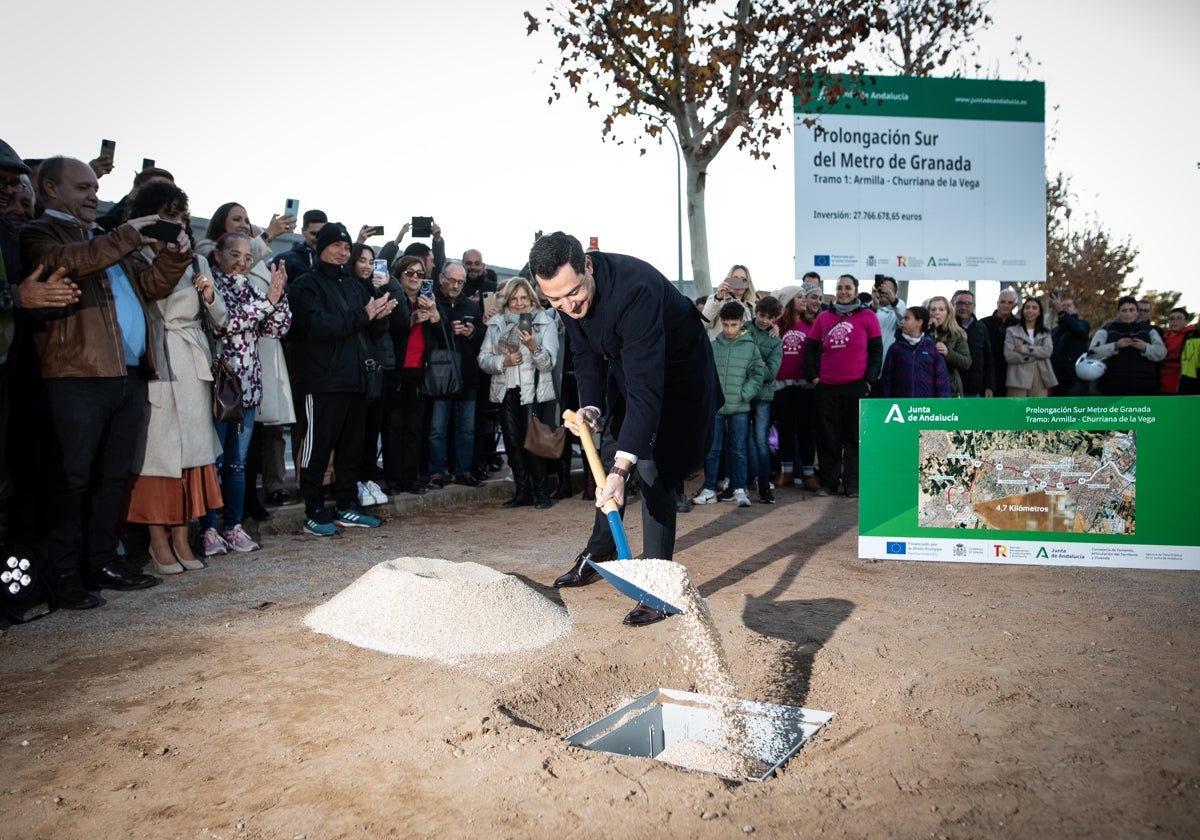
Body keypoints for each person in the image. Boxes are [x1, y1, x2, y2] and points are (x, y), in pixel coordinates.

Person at [21, 156, 191, 608]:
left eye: (96, 187)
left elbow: (150, 285)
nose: (94, 195)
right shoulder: (39, 233)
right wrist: (129, 235)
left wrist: (176, 259)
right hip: (74, 375)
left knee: (111, 478)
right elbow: (67, 263)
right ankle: (61, 573)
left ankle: (100, 561)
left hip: (126, 376)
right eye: (83, 188)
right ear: (50, 188)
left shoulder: (104, 238)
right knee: (70, 480)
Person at [532, 232, 719, 627]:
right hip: (629, 368)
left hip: (677, 376)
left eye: (573, 295)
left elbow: (648, 388)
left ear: (587, 264)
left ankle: (658, 585)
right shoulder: (567, 291)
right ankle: (601, 551)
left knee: (651, 468)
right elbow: (584, 353)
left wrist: (623, 469)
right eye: (555, 300)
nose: (568, 306)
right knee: (612, 453)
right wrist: (592, 404)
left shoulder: (635, 290)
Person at [123, 181, 226, 574]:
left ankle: (183, 538)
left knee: (194, 457)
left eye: (181, 215)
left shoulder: (197, 261)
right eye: (168, 215)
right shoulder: (132, 254)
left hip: (193, 363)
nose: (177, 223)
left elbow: (221, 321)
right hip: (155, 360)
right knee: (156, 456)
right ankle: (156, 542)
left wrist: (212, 297)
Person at [288, 223, 395, 535]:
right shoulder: (305, 284)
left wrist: (380, 318)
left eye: (346, 247)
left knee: (352, 451)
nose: (343, 252)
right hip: (322, 382)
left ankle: (347, 506)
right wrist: (364, 315)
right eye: (336, 246)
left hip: (356, 380)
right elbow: (314, 326)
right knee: (317, 449)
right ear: (321, 247)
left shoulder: (353, 285)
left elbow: (369, 330)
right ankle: (314, 510)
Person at [198, 202, 297, 516]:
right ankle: (211, 528)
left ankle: (234, 525)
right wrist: (269, 301)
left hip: (249, 391)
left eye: (246, 257)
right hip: (219, 389)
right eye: (235, 256)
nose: (242, 262)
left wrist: (279, 299)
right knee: (215, 461)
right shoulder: (211, 282)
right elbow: (226, 321)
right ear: (218, 255)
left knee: (237, 465)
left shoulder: (252, 288)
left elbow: (274, 328)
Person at [478, 276, 559, 508]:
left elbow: (548, 364)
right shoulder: (497, 323)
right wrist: (503, 361)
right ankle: (522, 492)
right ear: (507, 301)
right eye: (514, 298)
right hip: (505, 392)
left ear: (532, 298)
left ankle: (542, 493)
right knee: (512, 444)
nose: (520, 303)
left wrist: (534, 346)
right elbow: (483, 358)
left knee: (532, 444)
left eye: (524, 298)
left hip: (532, 392)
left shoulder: (544, 322)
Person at [804, 274, 882, 498]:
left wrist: (869, 379)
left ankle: (852, 485)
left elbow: (877, 351)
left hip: (856, 386)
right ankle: (828, 483)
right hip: (826, 386)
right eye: (839, 288)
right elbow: (810, 349)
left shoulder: (868, 316)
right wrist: (814, 377)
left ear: (856, 290)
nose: (843, 292)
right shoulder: (823, 318)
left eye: (848, 288)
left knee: (854, 439)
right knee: (828, 438)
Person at [692, 302, 765, 507]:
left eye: (734, 324)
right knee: (712, 450)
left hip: (740, 408)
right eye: (725, 325)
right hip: (716, 408)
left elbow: (757, 376)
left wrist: (744, 395)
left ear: (742, 323)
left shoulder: (751, 347)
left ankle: (739, 489)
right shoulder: (714, 346)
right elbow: (705, 374)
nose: (729, 329)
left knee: (739, 450)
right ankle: (709, 489)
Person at [382, 255, 438, 495]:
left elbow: (440, 338)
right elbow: (389, 330)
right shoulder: (394, 299)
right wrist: (410, 320)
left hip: (419, 371)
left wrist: (435, 316)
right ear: (399, 275)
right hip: (395, 370)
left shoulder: (429, 301)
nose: (415, 277)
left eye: (420, 273)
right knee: (393, 428)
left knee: (415, 428)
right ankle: (393, 479)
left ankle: (410, 477)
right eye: (409, 273)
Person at [427, 260, 484, 488]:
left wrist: (471, 332)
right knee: (436, 429)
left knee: (466, 430)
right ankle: (436, 473)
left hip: (467, 375)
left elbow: (482, 335)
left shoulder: (471, 306)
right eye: (452, 281)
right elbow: (427, 336)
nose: (456, 286)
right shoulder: (432, 303)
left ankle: (464, 471)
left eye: (460, 282)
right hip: (440, 375)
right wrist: (444, 328)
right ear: (442, 279)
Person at [349, 242, 394, 506]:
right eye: (362, 260)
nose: (367, 266)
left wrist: (382, 308)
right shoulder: (348, 288)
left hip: (375, 370)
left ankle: (367, 478)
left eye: (371, 261)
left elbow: (380, 332)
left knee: (371, 430)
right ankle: (354, 481)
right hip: (353, 371)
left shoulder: (374, 288)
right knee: (354, 432)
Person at [773, 283, 822, 491]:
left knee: (806, 431)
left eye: (805, 296)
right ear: (789, 301)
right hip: (781, 387)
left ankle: (809, 474)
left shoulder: (812, 326)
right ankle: (787, 472)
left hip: (805, 387)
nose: (804, 300)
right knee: (785, 429)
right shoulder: (775, 325)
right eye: (799, 297)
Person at [1088, 296, 1166, 396]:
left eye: (1131, 310)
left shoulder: (1149, 331)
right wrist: (1115, 346)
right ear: (1118, 313)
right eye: (1124, 310)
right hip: (1111, 388)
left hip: (1144, 387)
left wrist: (1145, 347)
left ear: (1137, 313)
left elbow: (1162, 353)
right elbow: (1092, 353)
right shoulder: (1105, 330)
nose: (1127, 314)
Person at [747, 296, 782, 504]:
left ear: (774, 319)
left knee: (760, 441)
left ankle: (764, 486)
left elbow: (771, 373)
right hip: (742, 393)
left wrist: (752, 361)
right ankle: (740, 484)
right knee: (740, 441)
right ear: (755, 312)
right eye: (761, 315)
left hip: (762, 396)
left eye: (769, 318)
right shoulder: (744, 330)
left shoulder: (775, 341)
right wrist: (759, 362)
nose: (764, 321)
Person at [880, 306, 950, 398]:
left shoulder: (932, 348)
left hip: (926, 407)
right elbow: (886, 380)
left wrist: (943, 404)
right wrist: (885, 403)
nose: (902, 322)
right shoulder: (895, 348)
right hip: (900, 406)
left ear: (919, 322)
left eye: (907, 318)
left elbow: (942, 380)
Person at [1003, 297, 1057, 397]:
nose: (1030, 310)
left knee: (1036, 411)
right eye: (1027, 307)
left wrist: (1023, 349)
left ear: (1039, 312)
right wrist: (1034, 356)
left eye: (1034, 308)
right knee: (1016, 411)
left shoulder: (1045, 333)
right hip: (1017, 378)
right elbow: (1009, 355)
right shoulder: (1011, 331)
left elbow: (1047, 351)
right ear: (1023, 311)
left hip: (1040, 377)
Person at [951, 289, 995, 397]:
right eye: (960, 303)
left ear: (974, 306)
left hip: (975, 389)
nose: (964, 307)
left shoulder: (981, 328)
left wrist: (989, 386)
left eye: (968, 304)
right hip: (952, 389)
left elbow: (988, 359)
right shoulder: (948, 328)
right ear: (953, 304)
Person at [927, 295, 970, 397]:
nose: (937, 312)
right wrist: (931, 331)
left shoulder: (957, 334)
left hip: (951, 389)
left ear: (948, 313)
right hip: (927, 387)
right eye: (933, 309)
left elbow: (966, 362)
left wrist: (948, 353)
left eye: (941, 309)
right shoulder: (922, 333)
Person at [1048, 293, 1091, 397]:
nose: (1064, 308)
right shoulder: (1055, 331)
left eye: (1068, 305)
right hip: (1057, 379)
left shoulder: (1083, 324)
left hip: (1075, 379)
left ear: (1076, 309)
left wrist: (1061, 312)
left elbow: (1077, 328)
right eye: (1063, 305)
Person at [700, 264, 756, 339]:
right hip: (719, 349)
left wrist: (772, 328)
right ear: (728, 280)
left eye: (743, 279)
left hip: (742, 349)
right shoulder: (716, 300)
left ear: (748, 283)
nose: (738, 282)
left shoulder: (751, 306)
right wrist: (718, 298)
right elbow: (704, 324)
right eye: (735, 278)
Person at [981, 288, 1019, 396]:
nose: (1006, 305)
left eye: (1010, 302)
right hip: (987, 378)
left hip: (1012, 377)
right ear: (997, 303)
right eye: (1003, 302)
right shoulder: (983, 324)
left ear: (1015, 305)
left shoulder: (1020, 326)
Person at [275, 209, 326, 282]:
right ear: (303, 231)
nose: (318, 238)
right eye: (313, 234)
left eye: (322, 233)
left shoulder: (336, 260)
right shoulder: (285, 260)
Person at [1160, 308, 1194, 394]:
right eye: (1171, 319)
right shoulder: (1161, 339)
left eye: (1178, 318)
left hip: (1185, 389)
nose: (1174, 321)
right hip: (1161, 389)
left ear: (1186, 321)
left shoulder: (1193, 338)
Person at [871, 275, 905, 357]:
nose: (884, 293)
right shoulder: (869, 308)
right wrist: (873, 307)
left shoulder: (898, 309)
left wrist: (893, 301)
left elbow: (903, 320)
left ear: (894, 293)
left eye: (888, 290)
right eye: (881, 289)